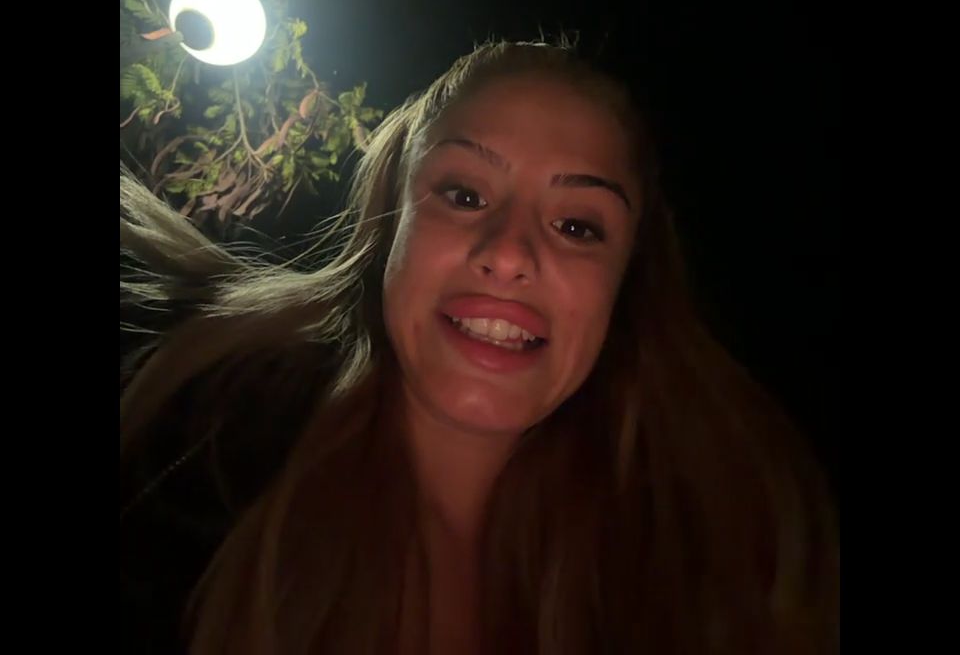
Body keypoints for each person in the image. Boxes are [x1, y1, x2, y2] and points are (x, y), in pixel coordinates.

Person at [120, 38, 838, 655]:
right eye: (465, 195)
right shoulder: (194, 466)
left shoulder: (706, 573)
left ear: (626, 290)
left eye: (577, 227)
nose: (508, 254)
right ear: (389, 228)